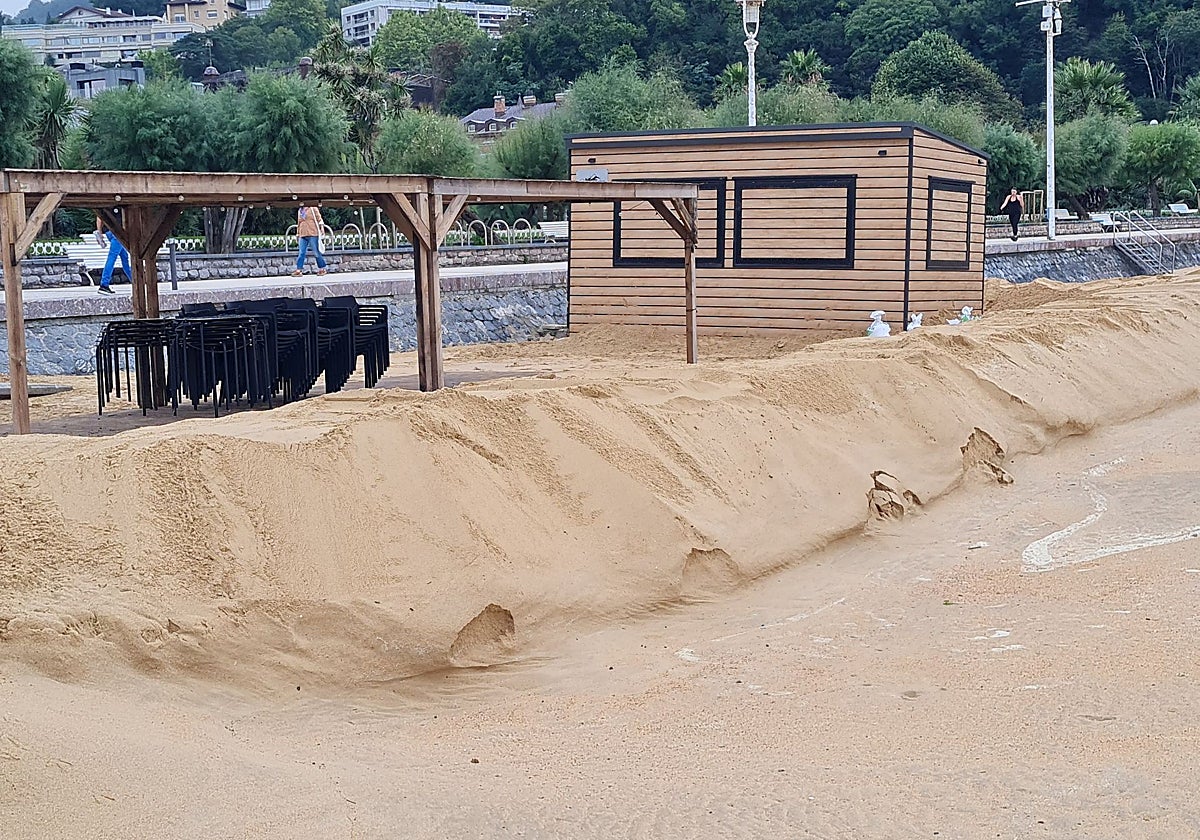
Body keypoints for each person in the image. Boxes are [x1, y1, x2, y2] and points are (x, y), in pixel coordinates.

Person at [95, 210, 131, 295]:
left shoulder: (106, 206)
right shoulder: (120, 206)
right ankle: (104, 284)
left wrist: (100, 233)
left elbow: (99, 217)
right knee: (112, 257)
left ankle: (134, 279)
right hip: (118, 233)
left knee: (124, 257)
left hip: (109, 232)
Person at [293, 205, 328, 276]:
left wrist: (322, 228)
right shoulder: (300, 210)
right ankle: (299, 270)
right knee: (301, 252)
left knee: (316, 252)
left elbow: (319, 219)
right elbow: (299, 223)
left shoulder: (313, 208)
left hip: (313, 233)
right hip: (302, 234)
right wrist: (298, 233)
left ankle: (322, 268)